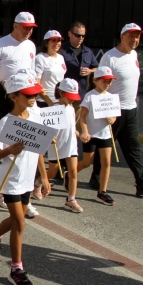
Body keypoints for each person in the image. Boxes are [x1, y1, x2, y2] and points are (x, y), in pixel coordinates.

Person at [0, 71, 50, 285]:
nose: (33, 98)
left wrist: (45, 177)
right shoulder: (6, 122)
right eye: (27, 94)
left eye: (34, 94)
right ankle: (16, 269)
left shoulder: (35, 116)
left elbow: (39, 150)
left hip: (27, 180)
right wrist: (10, 150)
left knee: (15, 220)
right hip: (10, 180)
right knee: (20, 222)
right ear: (13, 96)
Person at [91, 23, 143, 197]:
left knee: (133, 147)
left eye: (138, 36)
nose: (135, 39)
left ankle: (142, 181)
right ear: (122, 36)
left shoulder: (134, 55)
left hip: (130, 109)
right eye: (131, 36)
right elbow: (100, 84)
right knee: (105, 146)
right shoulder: (110, 57)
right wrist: (104, 110)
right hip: (112, 109)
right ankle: (96, 177)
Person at [0, 12, 37, 185]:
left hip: (24, 94)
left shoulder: (31, 46)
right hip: (3, 93)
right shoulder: (1, 44)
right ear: (15, 26)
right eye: (25, 28)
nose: (28, 31)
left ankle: (22, 170)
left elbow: (32, 71)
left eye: (31, 29)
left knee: (25, 129)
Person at [39, 78, 83, 212]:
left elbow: (70, 125)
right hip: (57, 145)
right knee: (52, 171)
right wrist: (49, 136)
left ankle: (71, 199)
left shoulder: (71, 108)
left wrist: (77, 132)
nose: (73, 100)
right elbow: (45, 129)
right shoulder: (53, 109)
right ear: (62, 93)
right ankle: (38, 183)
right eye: (70, 96)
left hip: (71, 144)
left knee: (73, 172)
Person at [77, 67, 117, 206]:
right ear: (95, 80)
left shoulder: (111, 97)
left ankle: (102, 191)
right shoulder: (90, 96)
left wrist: (112, 119)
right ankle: (70, 173)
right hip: (92, 134)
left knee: (106, 163)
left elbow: (114, 116)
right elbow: (82, 117)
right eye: (105, 81)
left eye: (109, 81)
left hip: (105, 134)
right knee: (87, 162)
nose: (107, 84)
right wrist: (85, 131)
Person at [61, 21, 99, 98]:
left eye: (83, 36)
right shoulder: (61, 50)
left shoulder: (88, 51)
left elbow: (97, 68)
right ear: (69, 34)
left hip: (83, 93)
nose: (81, 38)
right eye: (77, 35)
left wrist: (90, 71)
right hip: (66, 94)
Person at [35, 30, 67, 108]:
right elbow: (36, 84)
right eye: (53, 40)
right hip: (44, 103)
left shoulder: (61, 57)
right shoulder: (40, 58)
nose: (57, 43)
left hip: (59, 102)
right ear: (46, 43)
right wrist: (49, 102)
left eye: (59, 40)